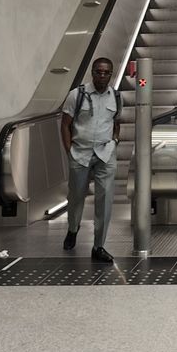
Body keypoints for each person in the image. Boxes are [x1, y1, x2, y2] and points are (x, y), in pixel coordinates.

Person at [60, 57, 121, 262]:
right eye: (98, 72)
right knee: (76, 196)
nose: (102, 76)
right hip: (80, 153)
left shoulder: (116, 97)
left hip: (105, 154)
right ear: (92, 72)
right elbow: (65, 124)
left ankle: (99, 246)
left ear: (111, 74)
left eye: (106, 72)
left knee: (105, 200)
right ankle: (73, 228)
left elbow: (116, 122)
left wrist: (115, 140)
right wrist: (69, 151)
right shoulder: (77, 95)